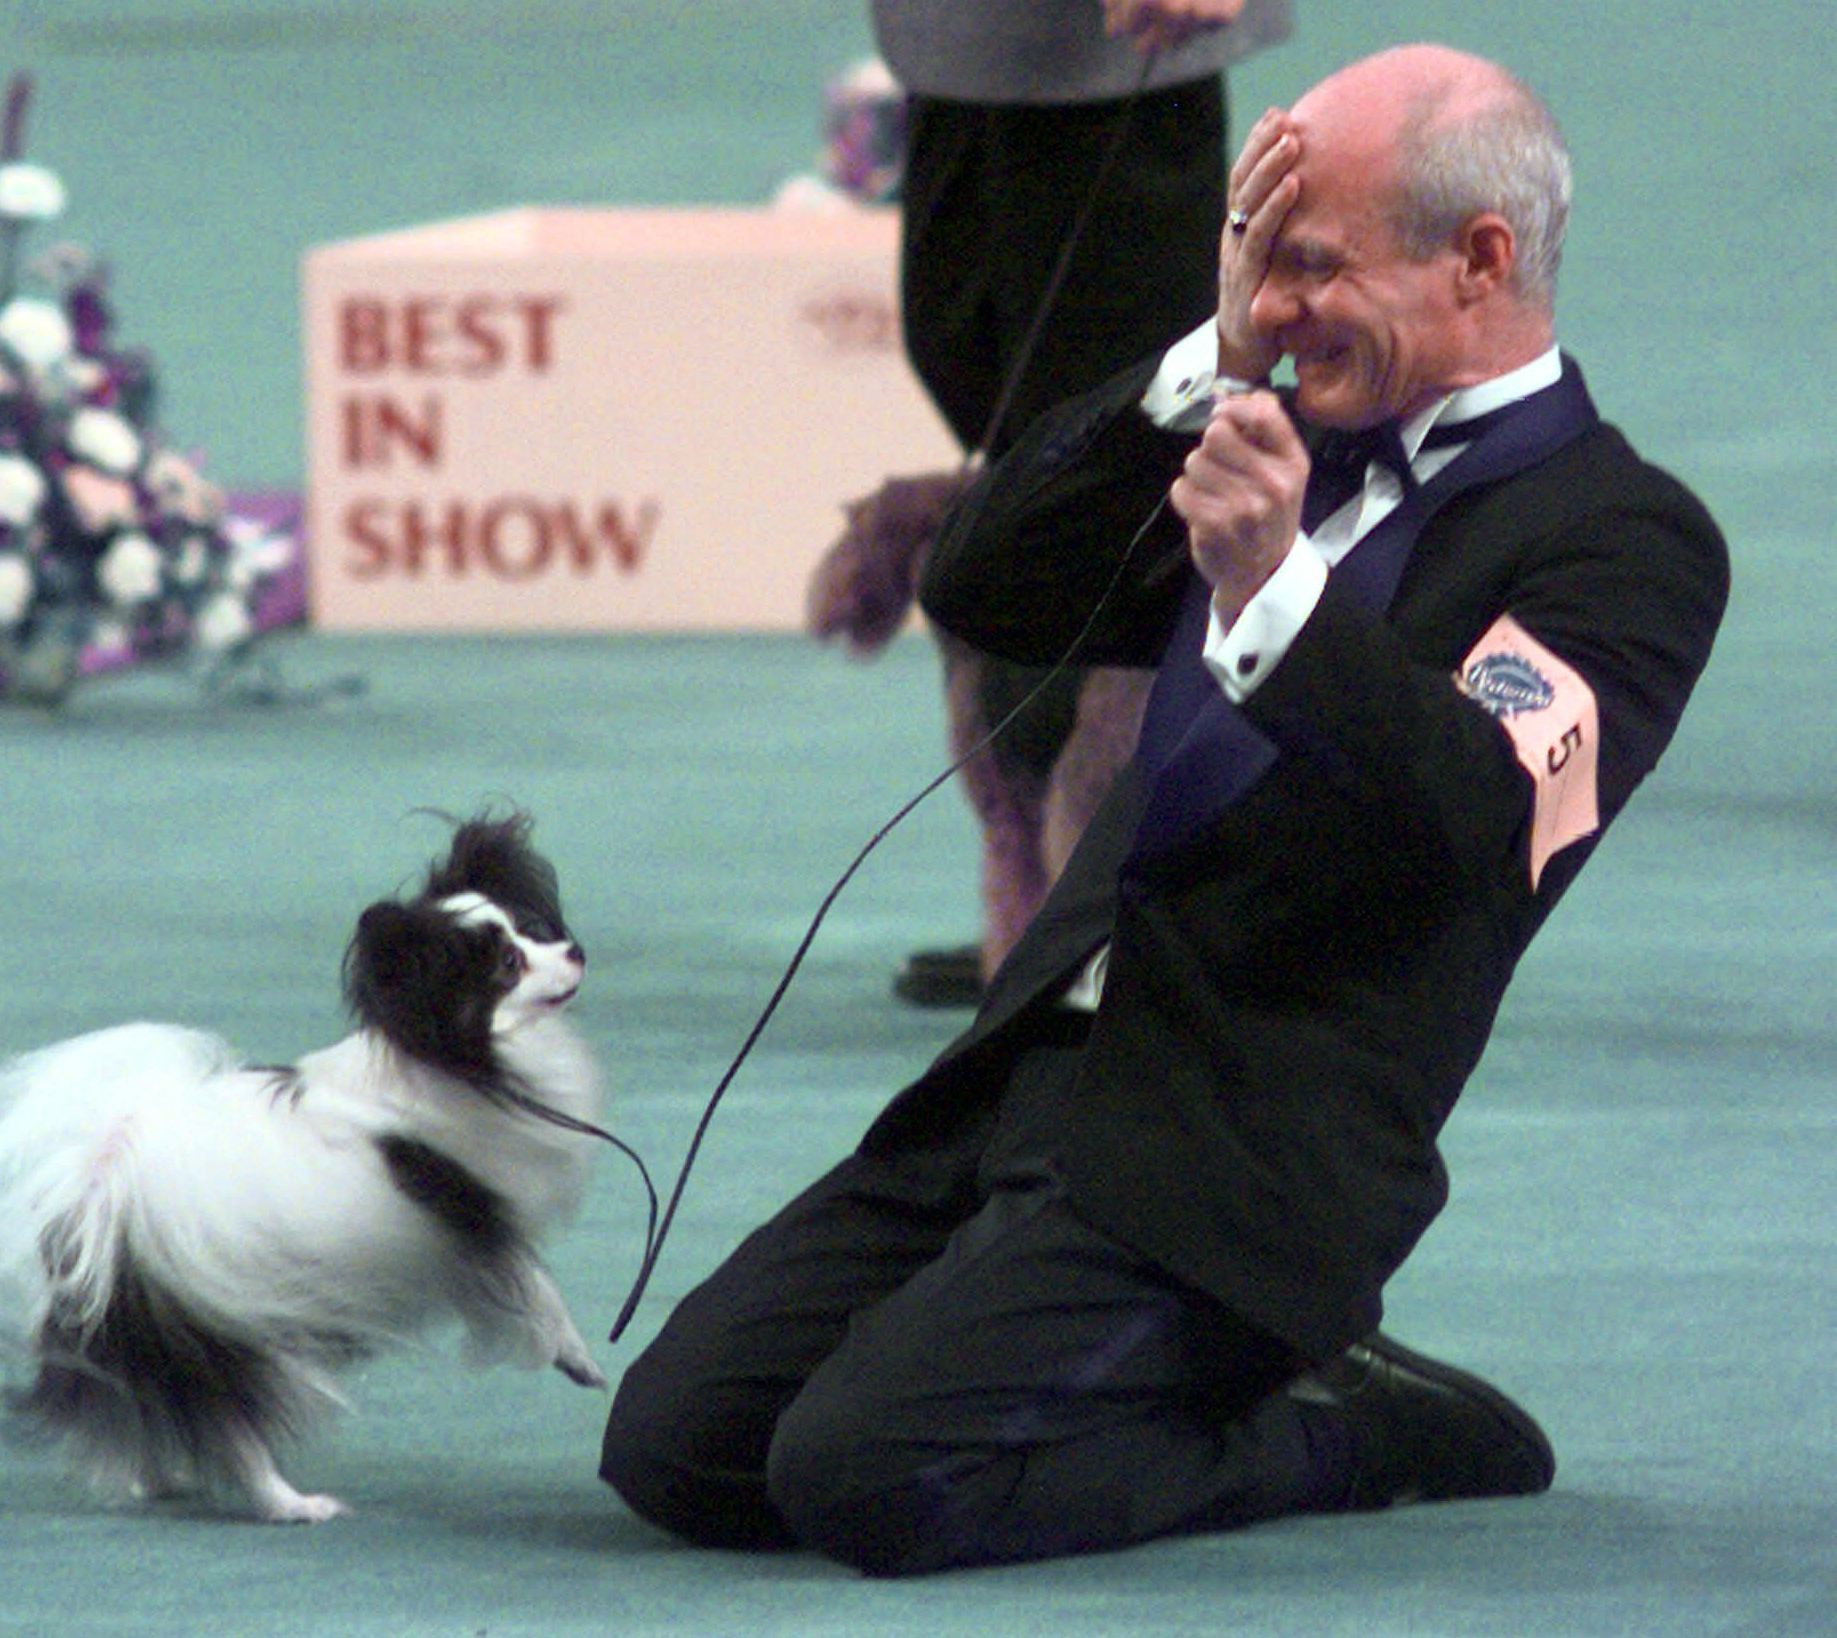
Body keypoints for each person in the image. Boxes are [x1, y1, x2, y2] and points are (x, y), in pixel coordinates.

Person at [604, 45, 1730, 1576]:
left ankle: (1339, 1422)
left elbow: (1475, 820)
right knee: (679, 1448)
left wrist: (1279, 592)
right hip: (1027, 1081)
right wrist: (1207, 348)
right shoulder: (1272, 424)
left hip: (1238, 1153)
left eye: (1314, 266)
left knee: (871, 1476)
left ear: (1480, 260)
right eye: (1263, 261)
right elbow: (984, 583)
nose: (1282, 308)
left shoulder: (1622, 540)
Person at [809, 0, 1293, 1008]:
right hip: (969, 45)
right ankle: (1046, 898)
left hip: (1106, 47)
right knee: (980, 370)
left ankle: (1121, 911)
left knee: (1121, 433)